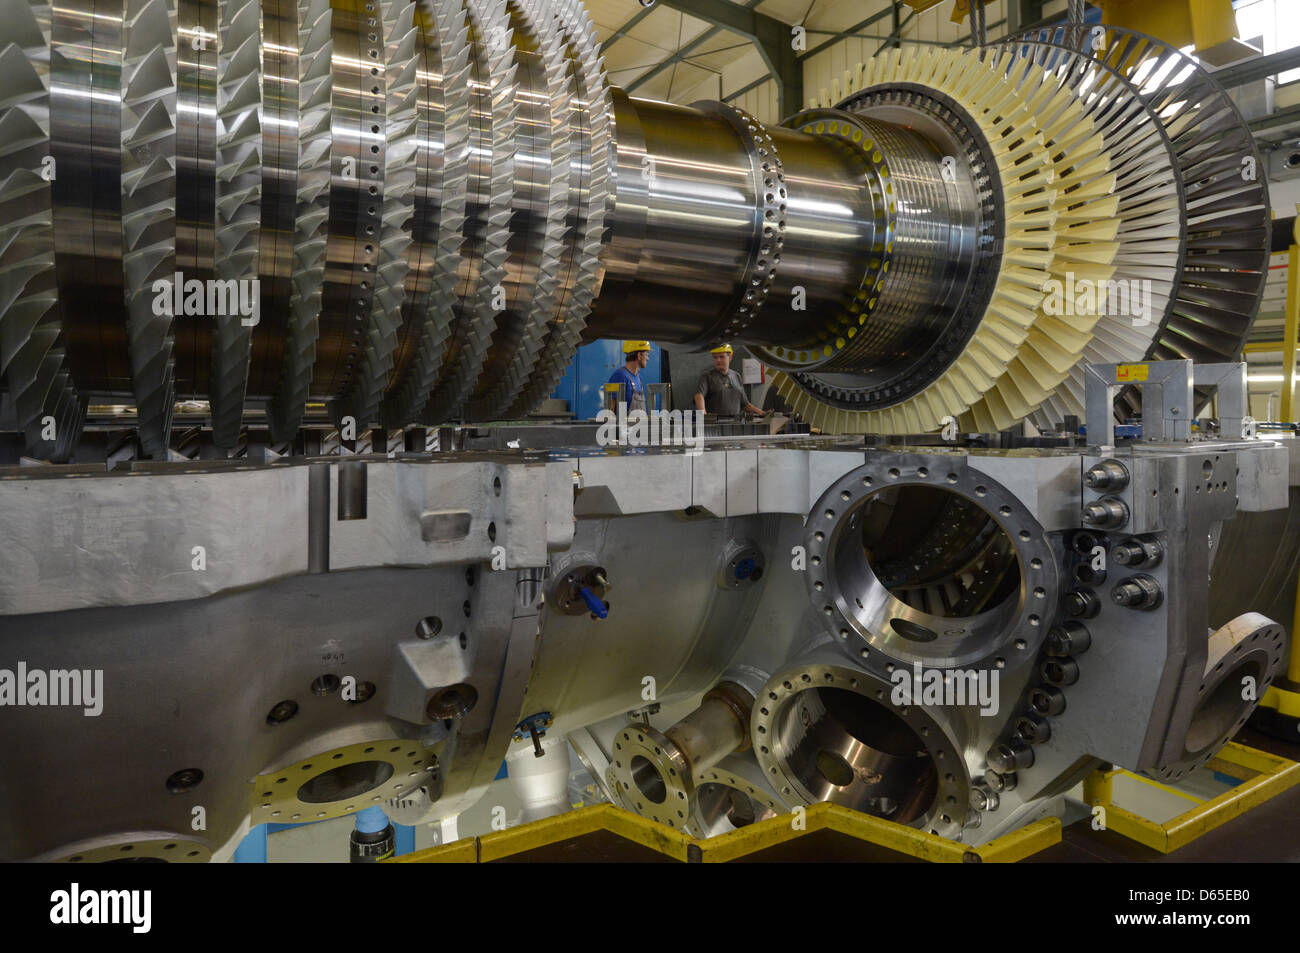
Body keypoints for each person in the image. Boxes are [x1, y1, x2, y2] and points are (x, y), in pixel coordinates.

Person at [694, 344, 767, 417]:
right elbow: (699, 396)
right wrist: (704, 416)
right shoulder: (707, 376)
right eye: (715, 357)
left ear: (730, 357)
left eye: (721, 357)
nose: (718, 360)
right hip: (715, 425)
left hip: (735, 424)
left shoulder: (736, 376)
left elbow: (745, 404)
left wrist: (762, 413)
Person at [608, 340, 650, 413]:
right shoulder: (620, 376)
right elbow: (610, 408)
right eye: (647, 355)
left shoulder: (638, 377)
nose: (647, 358)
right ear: (639, 355)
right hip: (625, 424)